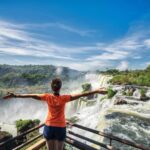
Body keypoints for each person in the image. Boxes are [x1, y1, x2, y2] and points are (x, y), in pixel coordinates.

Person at [3, 78, 107, 150]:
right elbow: (81, 94)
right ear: (60, 87)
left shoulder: (47, 97)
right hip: (60, 127)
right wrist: (96, 91)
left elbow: (31, 95)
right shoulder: (64, 98)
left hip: (48, 126)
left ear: (52, 87)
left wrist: (15, 95)